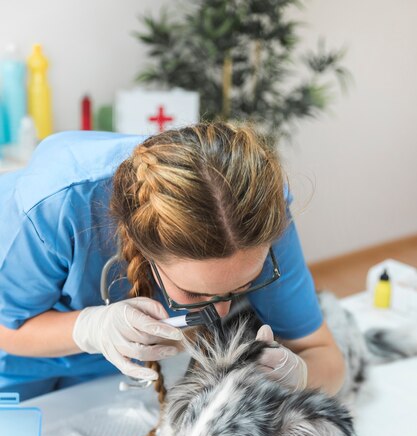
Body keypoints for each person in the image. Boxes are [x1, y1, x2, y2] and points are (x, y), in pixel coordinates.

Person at [0, 122, 345, 402]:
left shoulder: (258, 217)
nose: (220, 315)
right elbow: (7, 329)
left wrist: (298, 376)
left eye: (244, 287)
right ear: (142, 249)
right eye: (195, 294)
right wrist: (89, 328)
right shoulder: (53, 207)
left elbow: (324, 355)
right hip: (19, 360)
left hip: (124, 371)